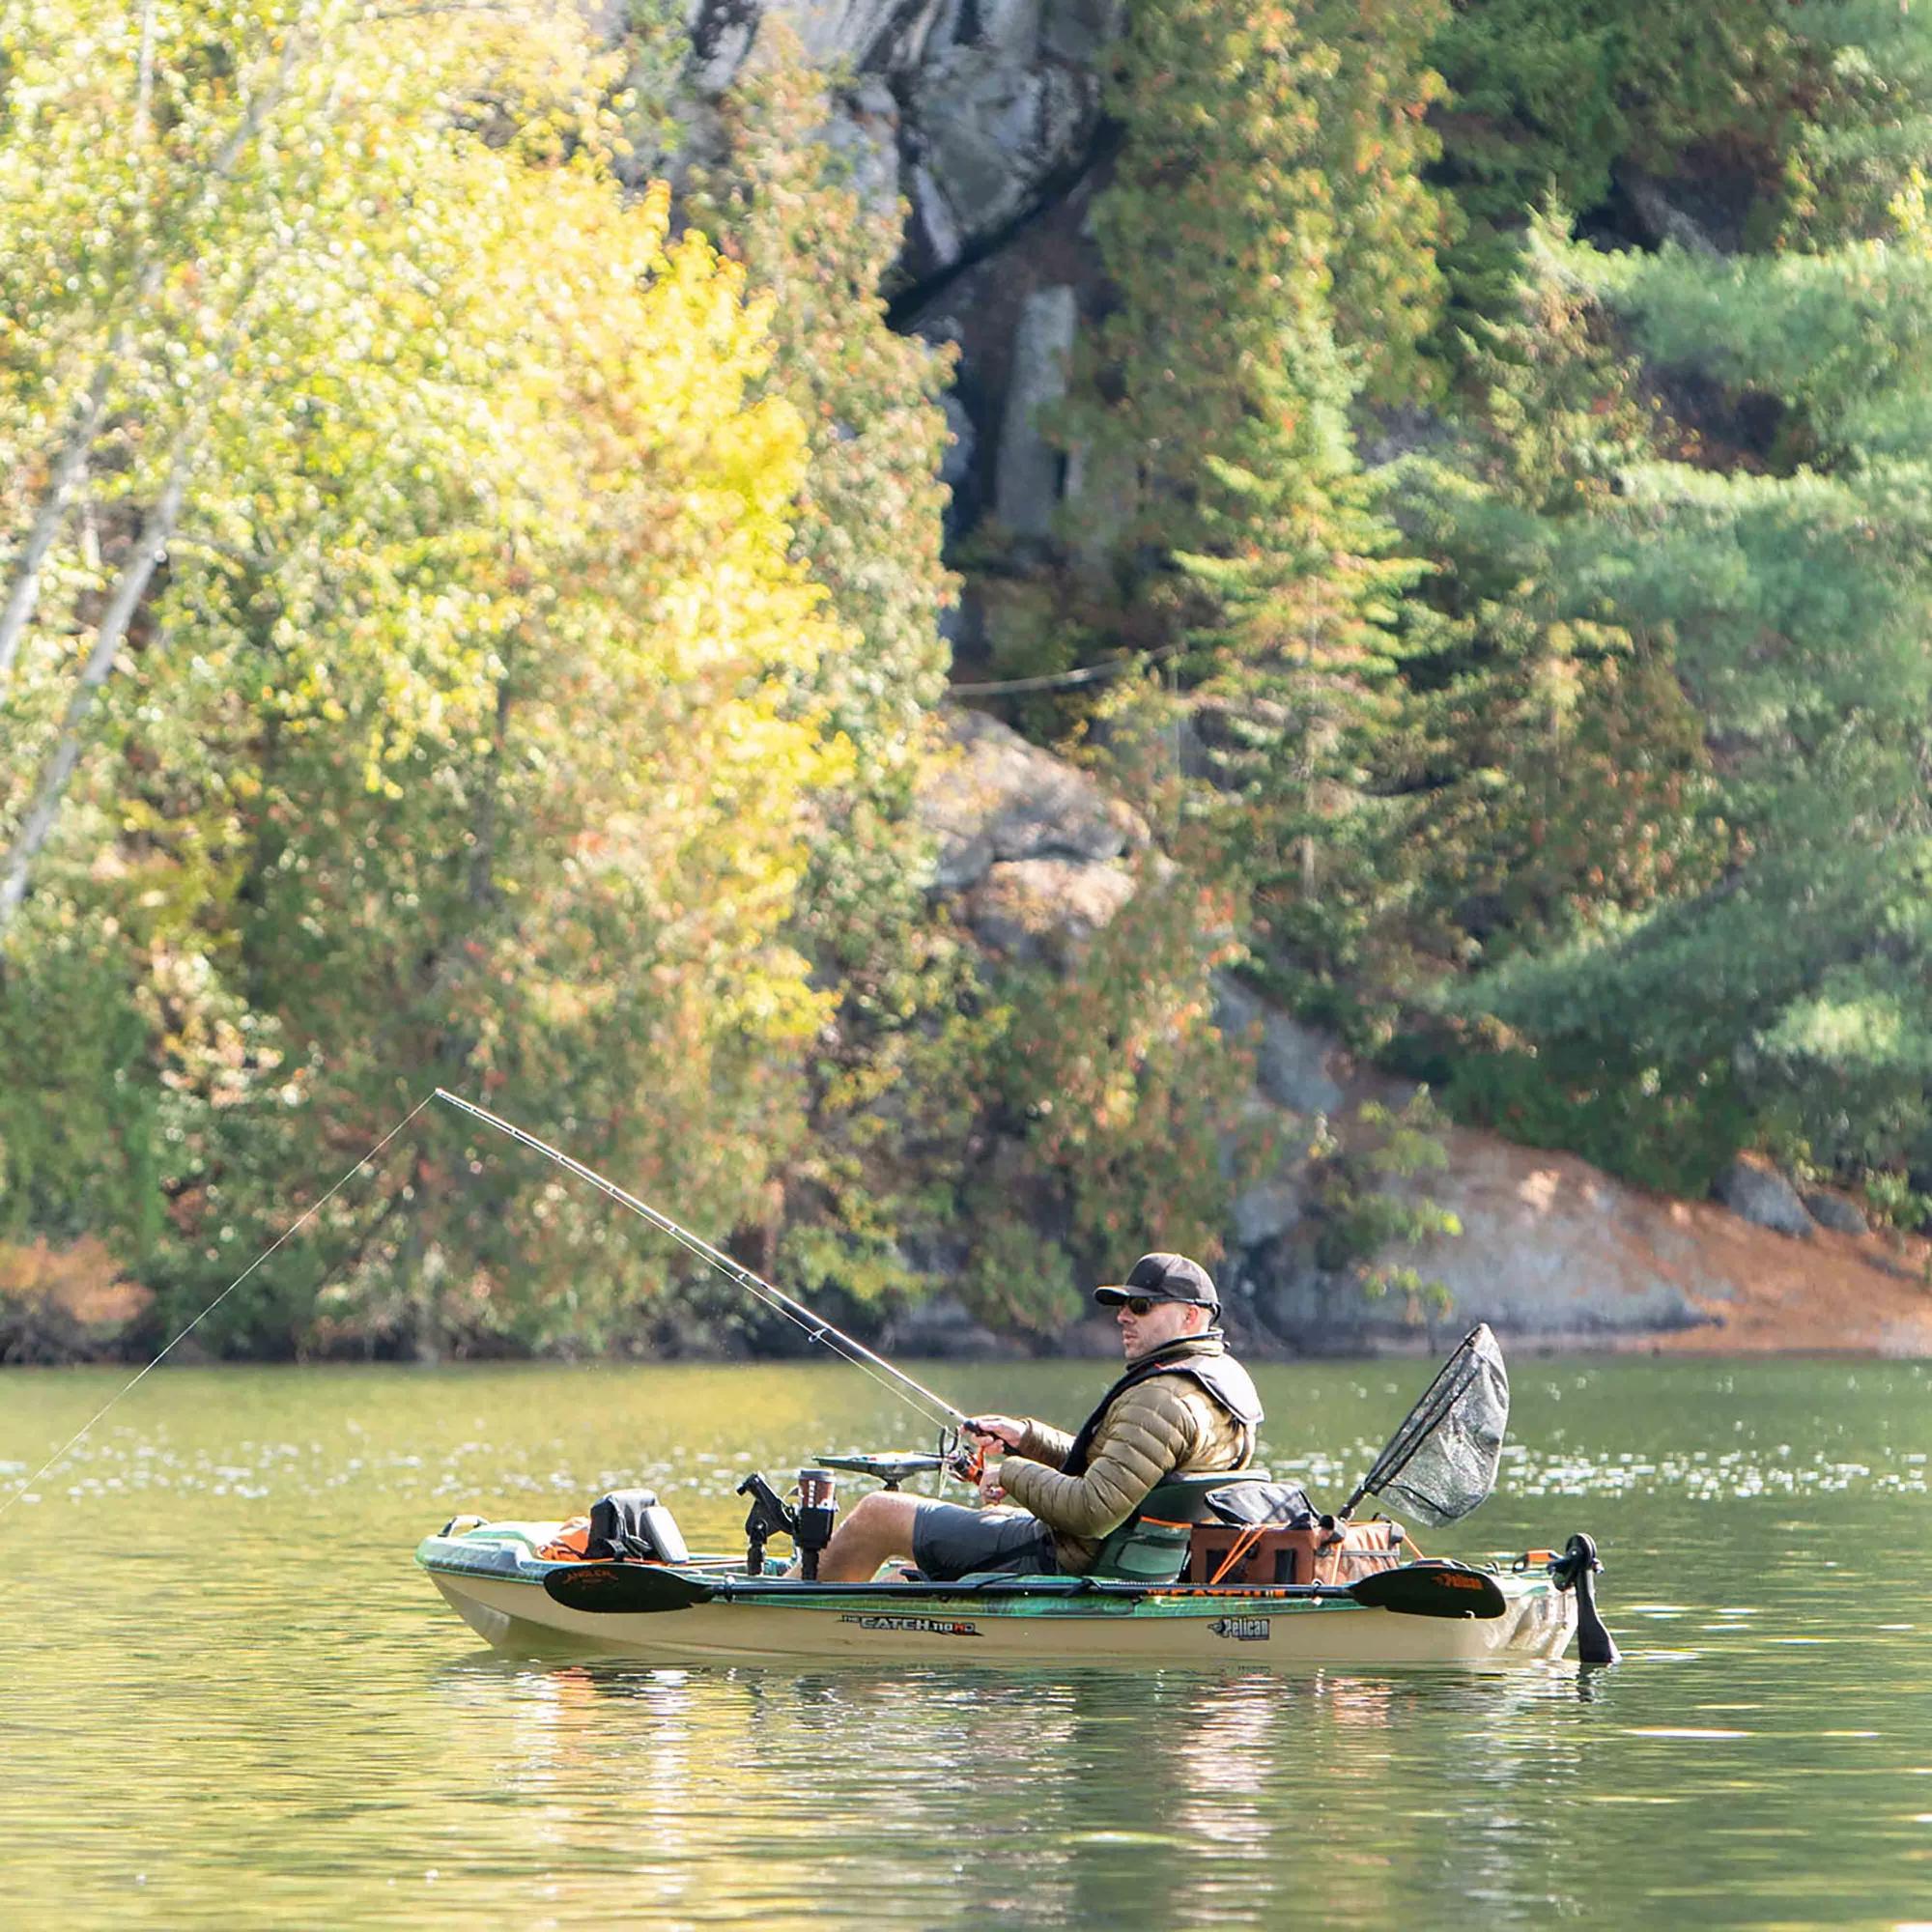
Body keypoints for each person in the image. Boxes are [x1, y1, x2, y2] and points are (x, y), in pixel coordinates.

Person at [813, 1253, 1262, 1583]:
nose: (1123, 1316)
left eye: (1141, 1307)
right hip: (1120, 1557)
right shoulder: (1221, 1382)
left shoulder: (1161, 1399)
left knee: (878, 1513)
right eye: (1123, 1306)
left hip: (1060, 1554)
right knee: (900, 1574)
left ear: (1190, 1316)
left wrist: (1010, 1471)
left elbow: (1092, 1512)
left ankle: (793, 1612)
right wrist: (1026, 1438)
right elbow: (1125, 1471)